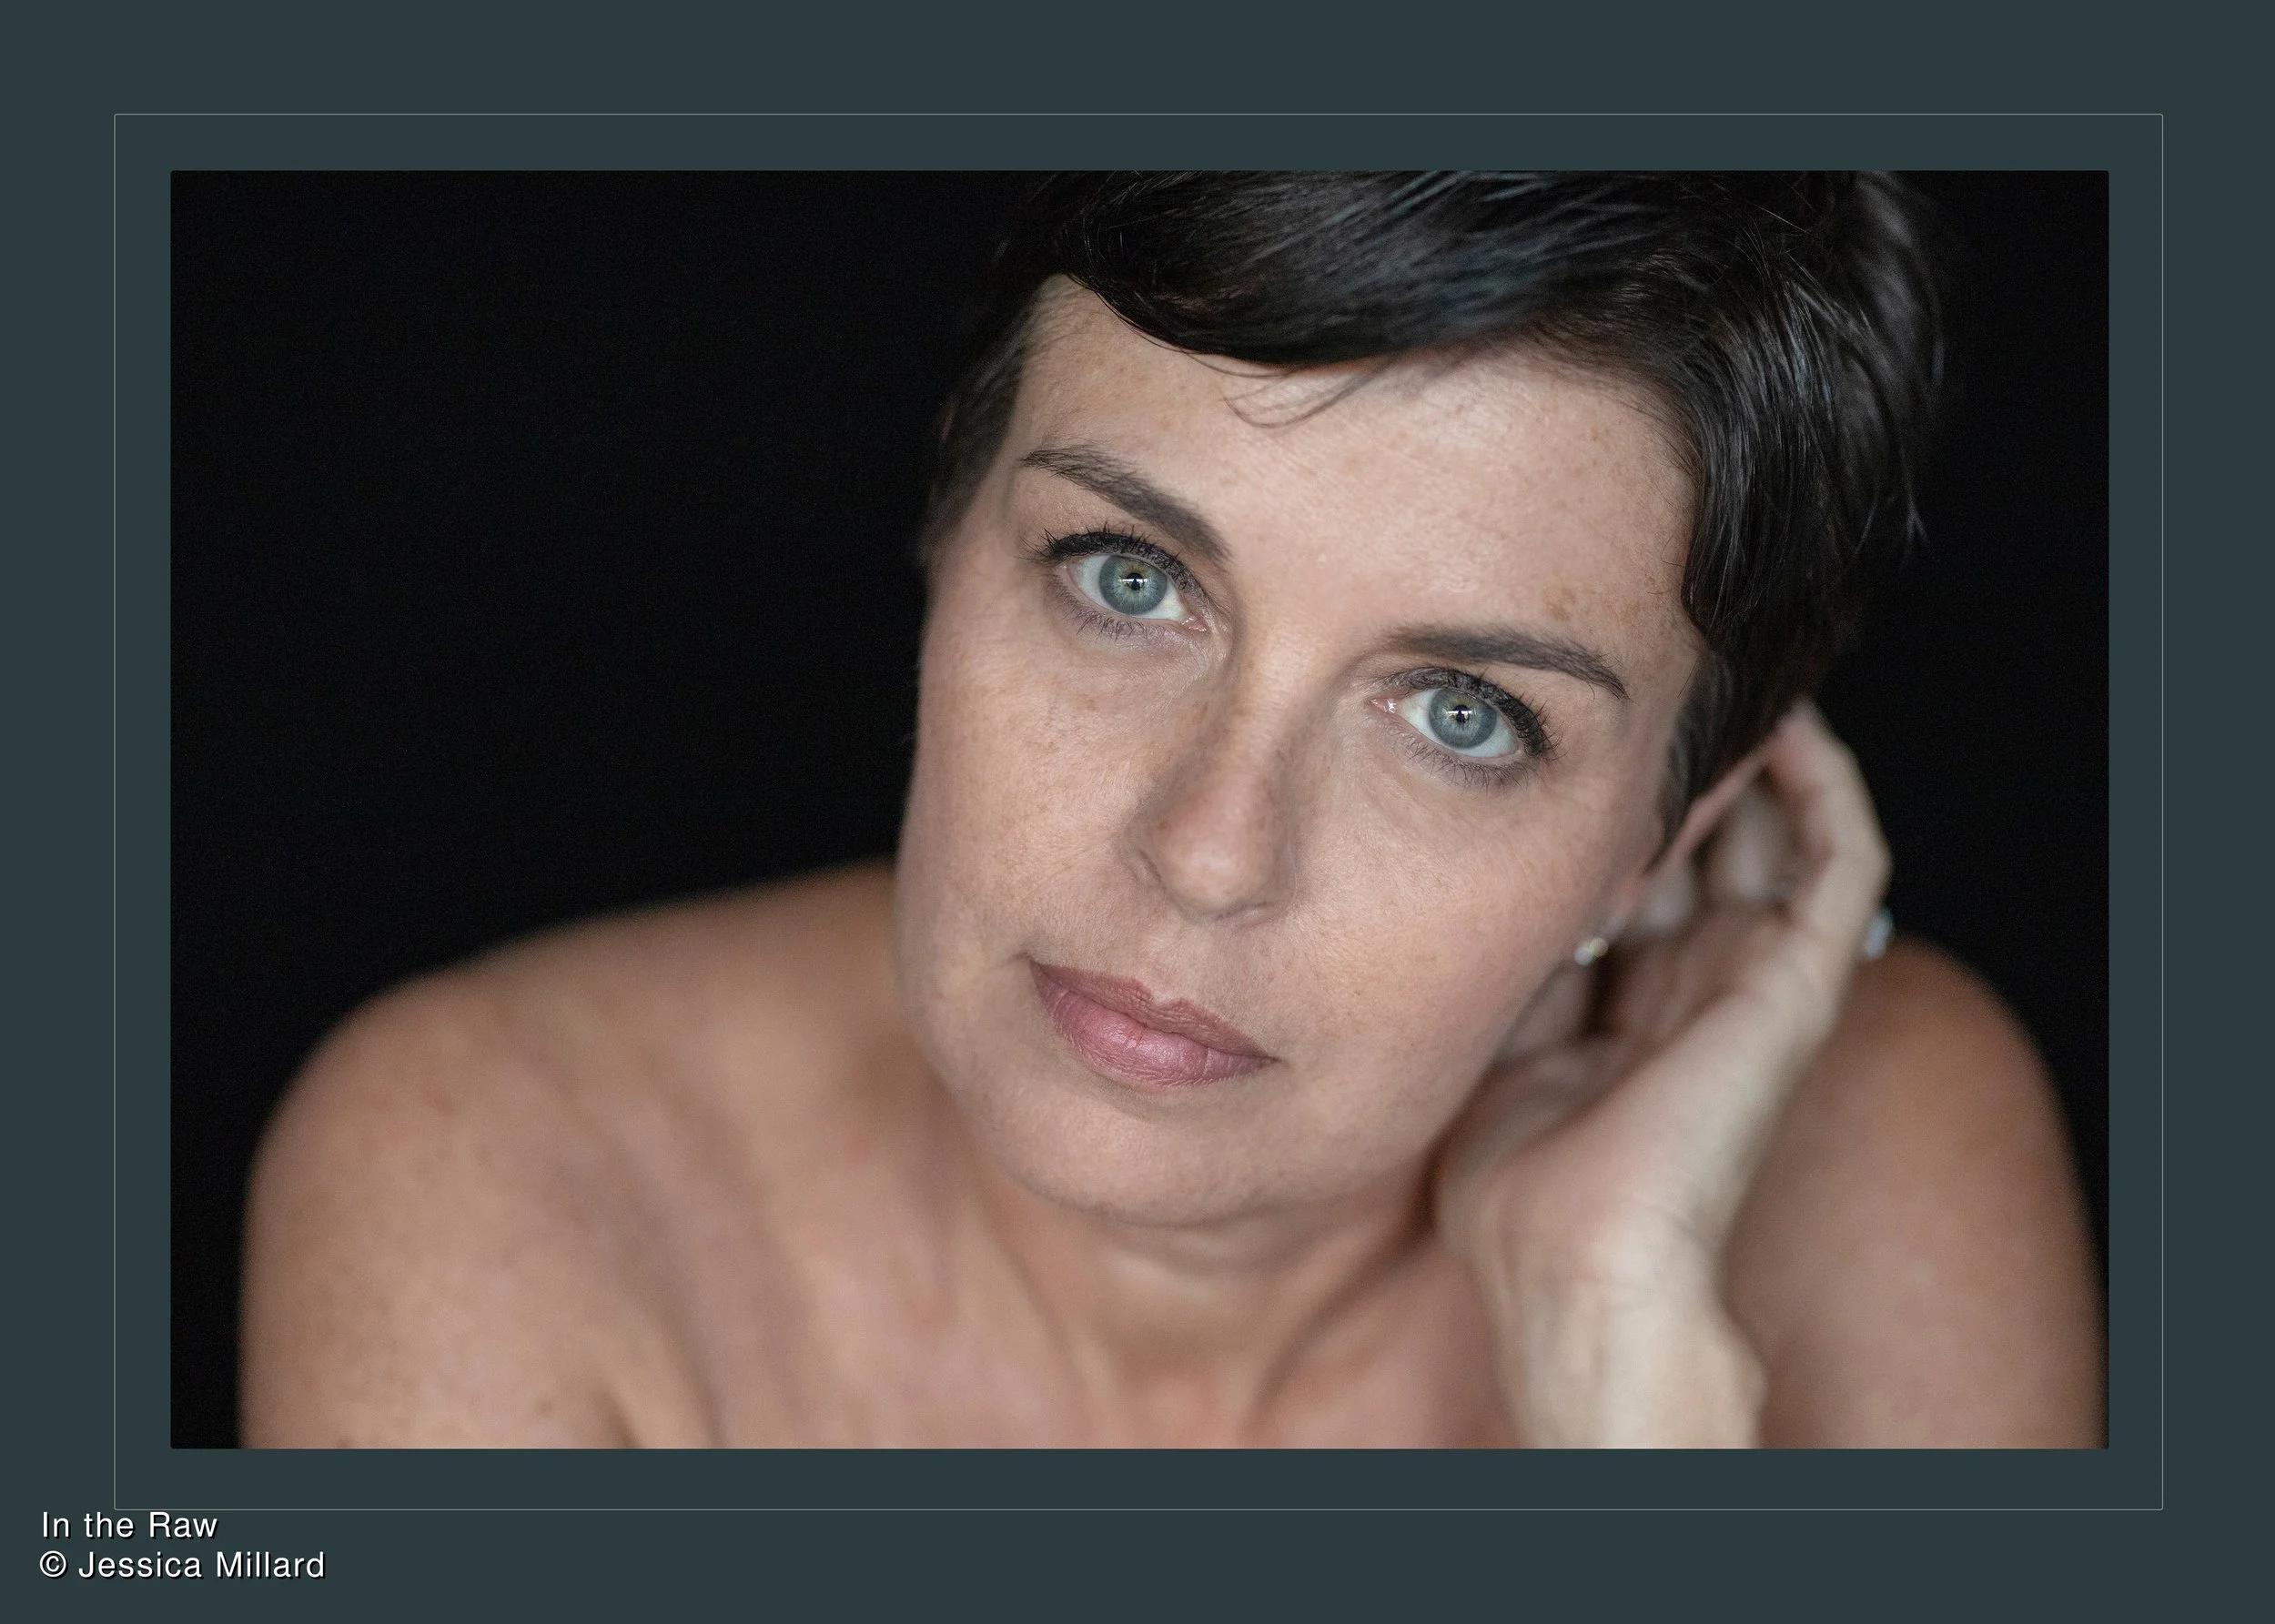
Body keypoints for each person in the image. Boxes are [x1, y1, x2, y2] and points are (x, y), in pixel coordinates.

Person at [239, 173, 2102, 1447]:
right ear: (946, 541)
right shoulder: (492, 1166)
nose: (1206, 849)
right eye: (1127, 577)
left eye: (1461, 714)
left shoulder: (1869, 1167)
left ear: (1669, 834)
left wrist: (1624, 1380)